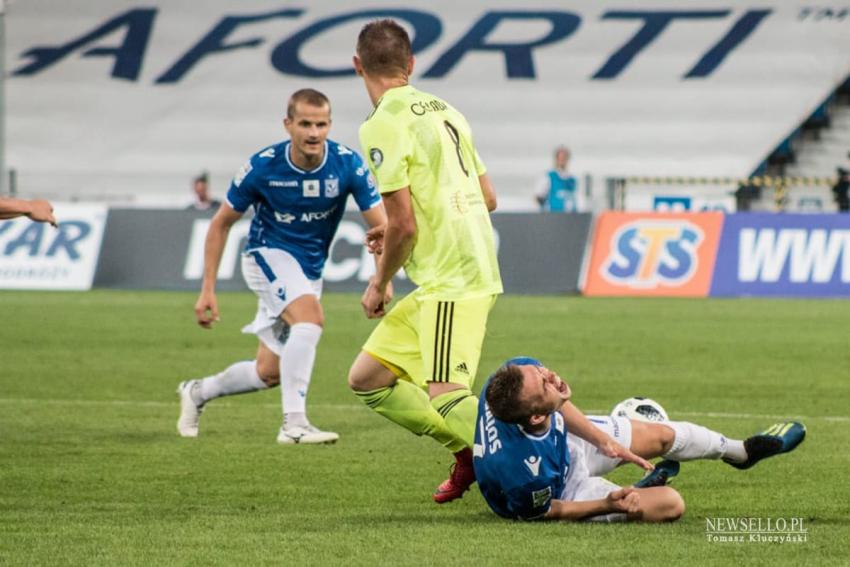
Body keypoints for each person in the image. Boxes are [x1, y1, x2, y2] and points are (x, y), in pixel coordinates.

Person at [347, 19, 503, 503]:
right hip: (464, 263)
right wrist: (395, 227)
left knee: (447, 393)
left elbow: (407, 226)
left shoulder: (381, 124)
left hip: (450, 278)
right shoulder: (447, 111)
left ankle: (553, 462)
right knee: (368, 380)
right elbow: (488, 198)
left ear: (358, 67)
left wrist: (379, 282)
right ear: (411, 65)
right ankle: (466, 451)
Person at [178, 88, 386, 444]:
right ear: (288, 124)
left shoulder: (348, 164)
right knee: (310, 318)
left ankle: (198, 391)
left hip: (308, 270)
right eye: (305, 123)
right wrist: (208, 289)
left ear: (330, 125)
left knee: (268, 372)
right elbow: (220, 224)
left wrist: (381, 279)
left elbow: (381, 227)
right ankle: (294, 424)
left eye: (321, 124)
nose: (313, 133)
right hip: (266, 256)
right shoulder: (263, 166)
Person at [474, 357, 806, 522]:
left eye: (542, 371)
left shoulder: (513, 375)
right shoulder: (523, 477)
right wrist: (606, 504)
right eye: (545, 383)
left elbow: (555, 404)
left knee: (662, 435)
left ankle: (741, 452)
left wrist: (604, 440)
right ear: (534, 417)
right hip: (564, 489)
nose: (551, 376)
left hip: (570, 442)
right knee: (670, 504)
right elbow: (549, 510)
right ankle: (638, 490)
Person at [534, 146, 584, 212]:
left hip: (570, 216)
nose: (562, 161)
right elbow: (539, 196)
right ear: (556, 159)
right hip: (553, 215)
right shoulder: (549, 176)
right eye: (560, 158)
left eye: (564, 158)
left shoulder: (572, 179)